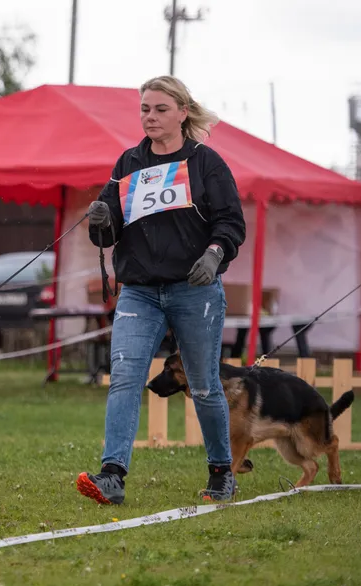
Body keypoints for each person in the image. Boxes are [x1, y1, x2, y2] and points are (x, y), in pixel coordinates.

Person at [76, 75, 246, 505]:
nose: (150, 117)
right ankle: (112, 476)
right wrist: (101, 220)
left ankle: (222, 472)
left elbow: (231, 224)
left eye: (160, 110)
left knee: (205, 385)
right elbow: (108, 231)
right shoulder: (129, 163)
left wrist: (213, 254)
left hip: (195, 291)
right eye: (144, 110)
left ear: (182, 113)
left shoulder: (207, 164)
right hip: (139, 292)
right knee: (125, 379)